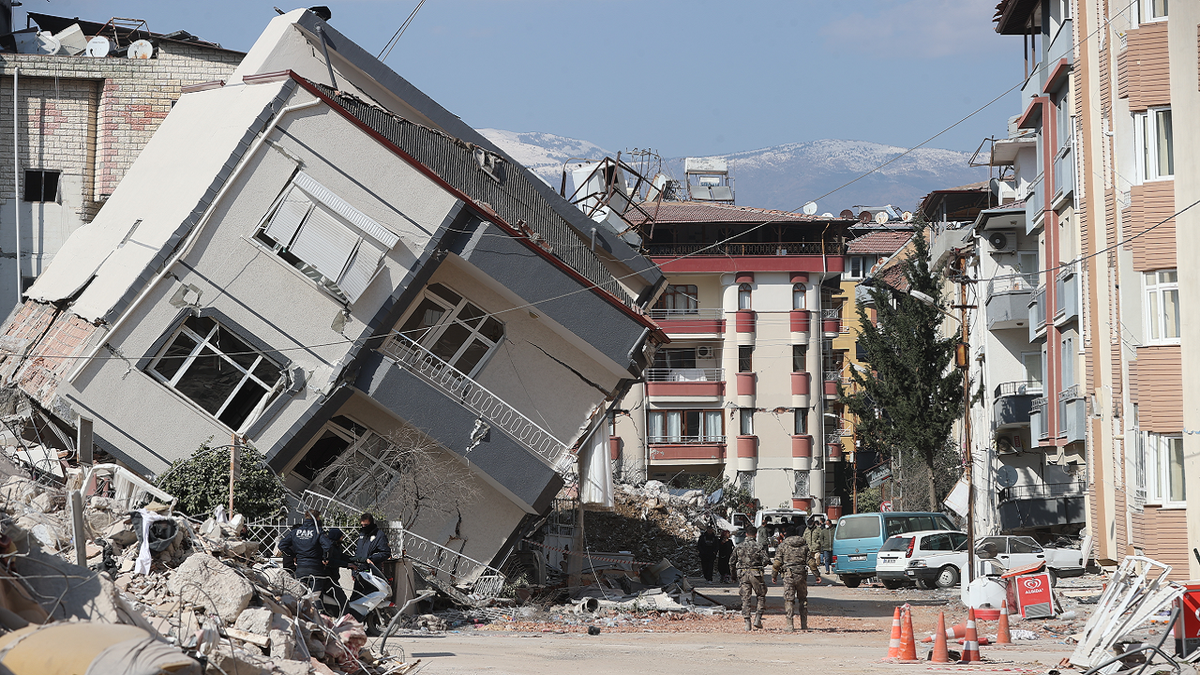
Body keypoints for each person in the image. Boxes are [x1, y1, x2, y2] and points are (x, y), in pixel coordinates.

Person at [279, 510, 331, 595]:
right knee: (316, 598)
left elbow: (282, 545)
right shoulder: (318, 532)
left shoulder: (295, 532)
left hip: (300, 569)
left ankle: (301, 608)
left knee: (300, 596)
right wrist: (325, 558)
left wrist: (293, 555)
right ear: (317, 518)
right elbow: (328, 546)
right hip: (315, 569)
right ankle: (318, 608)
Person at [772, 525, 810, 632]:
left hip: (789, 576)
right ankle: (804, 624)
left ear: (786, 534)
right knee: (803, 599)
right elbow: (811, 561)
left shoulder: (783, 546)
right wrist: (816, 575)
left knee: (789, 600)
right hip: (801, 575)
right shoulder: (804, 545)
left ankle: (790, 625)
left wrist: (774, 575)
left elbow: (777, 562)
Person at [732, 525, 769, 631]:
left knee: (745, 598)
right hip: (756, 573)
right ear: (756, 534)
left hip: (743, 574)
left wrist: (733, 575)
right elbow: (766, 559)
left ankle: (747, 622)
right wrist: (759, 565)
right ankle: (758, 618)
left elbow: (731, 562)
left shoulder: (739, 546)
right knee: (761, 595)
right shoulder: (759, 546)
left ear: (746, 534)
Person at [351, 513, 393, 605]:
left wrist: (371, 559)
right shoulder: (362, 534)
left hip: (371, 574)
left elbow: (386, 553)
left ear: (371, 523)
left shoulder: (379, 535)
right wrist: (353, 571)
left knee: (370, 600)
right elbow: (358, 552)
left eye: (365, 525)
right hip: (359, 573)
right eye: (362, 525)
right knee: (355, 600)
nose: (363, 527)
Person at [322, 527, 351, 616]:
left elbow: (342, 556)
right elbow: (330, 562)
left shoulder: (335, 547)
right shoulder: (330, 547)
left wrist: (357, 560)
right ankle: (346, 621)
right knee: (343, 601)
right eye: (341, 537)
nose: (342, 538)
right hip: (328, 579)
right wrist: (347, 565)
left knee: (333, 602)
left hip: (331, 578)